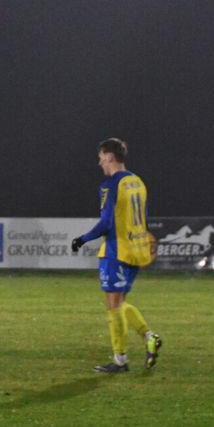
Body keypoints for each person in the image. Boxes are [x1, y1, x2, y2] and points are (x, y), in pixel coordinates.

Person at [71, 138, 162, 374]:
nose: (100, 162)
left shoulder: (110, 185)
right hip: (136, 249)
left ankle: (120, 360)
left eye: (101, 157)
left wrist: (81, 239)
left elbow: (105, 223)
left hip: (116, 250)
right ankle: (149, 337)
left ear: (110, 157)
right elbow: (144, 217)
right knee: (119, 303)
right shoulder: (138, 182)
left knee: (113, 305)